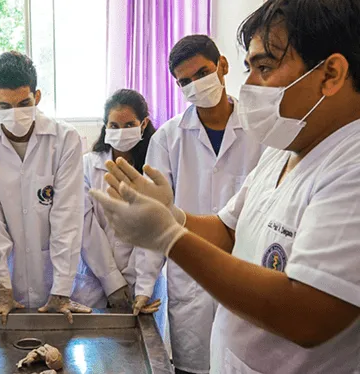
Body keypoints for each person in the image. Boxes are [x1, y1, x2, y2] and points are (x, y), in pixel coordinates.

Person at [91, 0, 360, 373]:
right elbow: (228, 228)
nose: (248, 85)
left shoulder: (352, 166)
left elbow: (307, 314)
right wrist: (173, 216)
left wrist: (169, 236)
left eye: (264, 67)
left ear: (330, 73)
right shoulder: (285, 147)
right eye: (250, 67)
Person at [141, 35, 266, 374]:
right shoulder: (167, 139)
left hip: (248, 273)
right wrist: (143, 286)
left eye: (202, 73)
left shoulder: (261, 129)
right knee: (191, 368)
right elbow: (155, 219)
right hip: (190, 281)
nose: (195, 85)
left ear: (222, 66)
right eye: (185, 81)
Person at [0, 51, 91, 327]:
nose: (16, 114)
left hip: (54, 280)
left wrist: (61, 290)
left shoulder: (65, 139)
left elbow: (67, 218)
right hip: (3, 286)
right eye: (5, 107)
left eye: (24, 103)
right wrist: (2, 288)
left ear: (38, 97)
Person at [71, 89, 163, 317]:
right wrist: (112, 281)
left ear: (143, 124)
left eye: (129, 124)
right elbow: (85, 226)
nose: (121, 132)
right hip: (94, 281)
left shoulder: (154, 169)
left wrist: (141, 287)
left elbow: (154, 231)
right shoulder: (87, 166)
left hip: (142, 281)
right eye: (114, 126)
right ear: (105, 127)